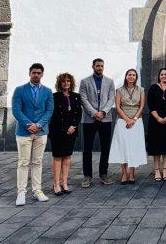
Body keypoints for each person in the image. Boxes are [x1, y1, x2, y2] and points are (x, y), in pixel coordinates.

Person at [11, 63, 54, 206]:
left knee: (37, 162)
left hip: (41, 132)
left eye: (39, 73)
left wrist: (39, 124)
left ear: (42, 74)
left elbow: (49, 110)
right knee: (23, 162)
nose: (36, 75)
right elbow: (16, 110)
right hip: (24, 132)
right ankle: (21, 192)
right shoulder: (20, 90)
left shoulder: (47, 92)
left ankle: (37, 191)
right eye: (34, 72)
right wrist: (29, 124)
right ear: (30, 73)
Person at [80, 58, 116, 187]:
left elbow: (112, 98)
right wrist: (94, 113)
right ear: (93, 66)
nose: (100, 68)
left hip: (105, 119)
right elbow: (83, 99)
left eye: (101, 66)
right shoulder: (84, 82)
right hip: (89, 119)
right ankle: (87, 176)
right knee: (87, 148)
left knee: (105, 147)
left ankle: (103, 174)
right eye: (97, 65)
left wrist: (103, 112)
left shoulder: (110, 82)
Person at [109, 68, 147, 184]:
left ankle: (132, 174)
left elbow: (141, 106)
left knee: (133, 148)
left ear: (136, 77)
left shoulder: (141, 90)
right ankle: (124, 173)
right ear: (126, 77)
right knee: (123, 147)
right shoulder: (119, 90)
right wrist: (127, 120)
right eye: (129, 75)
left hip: (136, 122)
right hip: (122, 122)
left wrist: (134, 119)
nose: (131, 77)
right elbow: (118, 107)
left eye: (134, 75)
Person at [49, 72, 82, 196]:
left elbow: (78, 113)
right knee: (58, 157)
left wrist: (73, 126)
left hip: (71, 131)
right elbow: (55, 115)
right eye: (63, 81)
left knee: (67, 157)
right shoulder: (54, 96)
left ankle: (65, 183)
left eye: (68, 81)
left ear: (71, 83)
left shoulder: (76, 96)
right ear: (59, 83)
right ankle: (56, 184)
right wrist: (65, 128)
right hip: (58, 131)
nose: (66, 83)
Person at [147, 67, 166, 182]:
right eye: (162, 74)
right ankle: (156, 170)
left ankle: (164, 169)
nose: (164, 76)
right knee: (156, 146)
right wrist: (159, 118)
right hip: (155, 122)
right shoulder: (153, 88)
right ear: (159, 76)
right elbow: (151, 105)